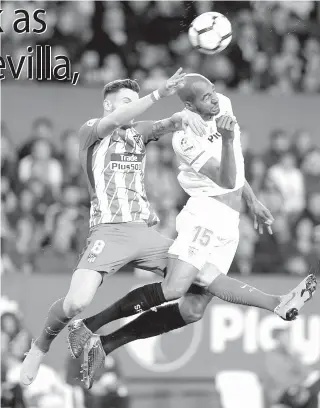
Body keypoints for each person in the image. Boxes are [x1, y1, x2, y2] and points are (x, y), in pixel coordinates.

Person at [66, 74, 317, 389]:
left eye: (213, 92)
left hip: (229, 220)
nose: (214, 98)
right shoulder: (183, 138)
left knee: (193, 309)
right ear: (188, 105)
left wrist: (251, 200)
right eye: (205, 96)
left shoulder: (224, 104)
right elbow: (225, 178)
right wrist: (225, 139)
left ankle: (105, 343)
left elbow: (235, 164)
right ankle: (90, 324)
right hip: (205, 213)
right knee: (173, 288)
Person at [20, 67, 209, 386]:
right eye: (126, 103)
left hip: (145, 233)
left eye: (135, 102)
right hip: (108, 232)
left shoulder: (140, 131)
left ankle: (106, 339)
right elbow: (116, 121)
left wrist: (184, 116)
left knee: (202, 282)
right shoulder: (92, 130)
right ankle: (39, 348)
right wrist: (158, 93)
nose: (133, 110)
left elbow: (169, 123)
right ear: (109, 105)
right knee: (76, 301)